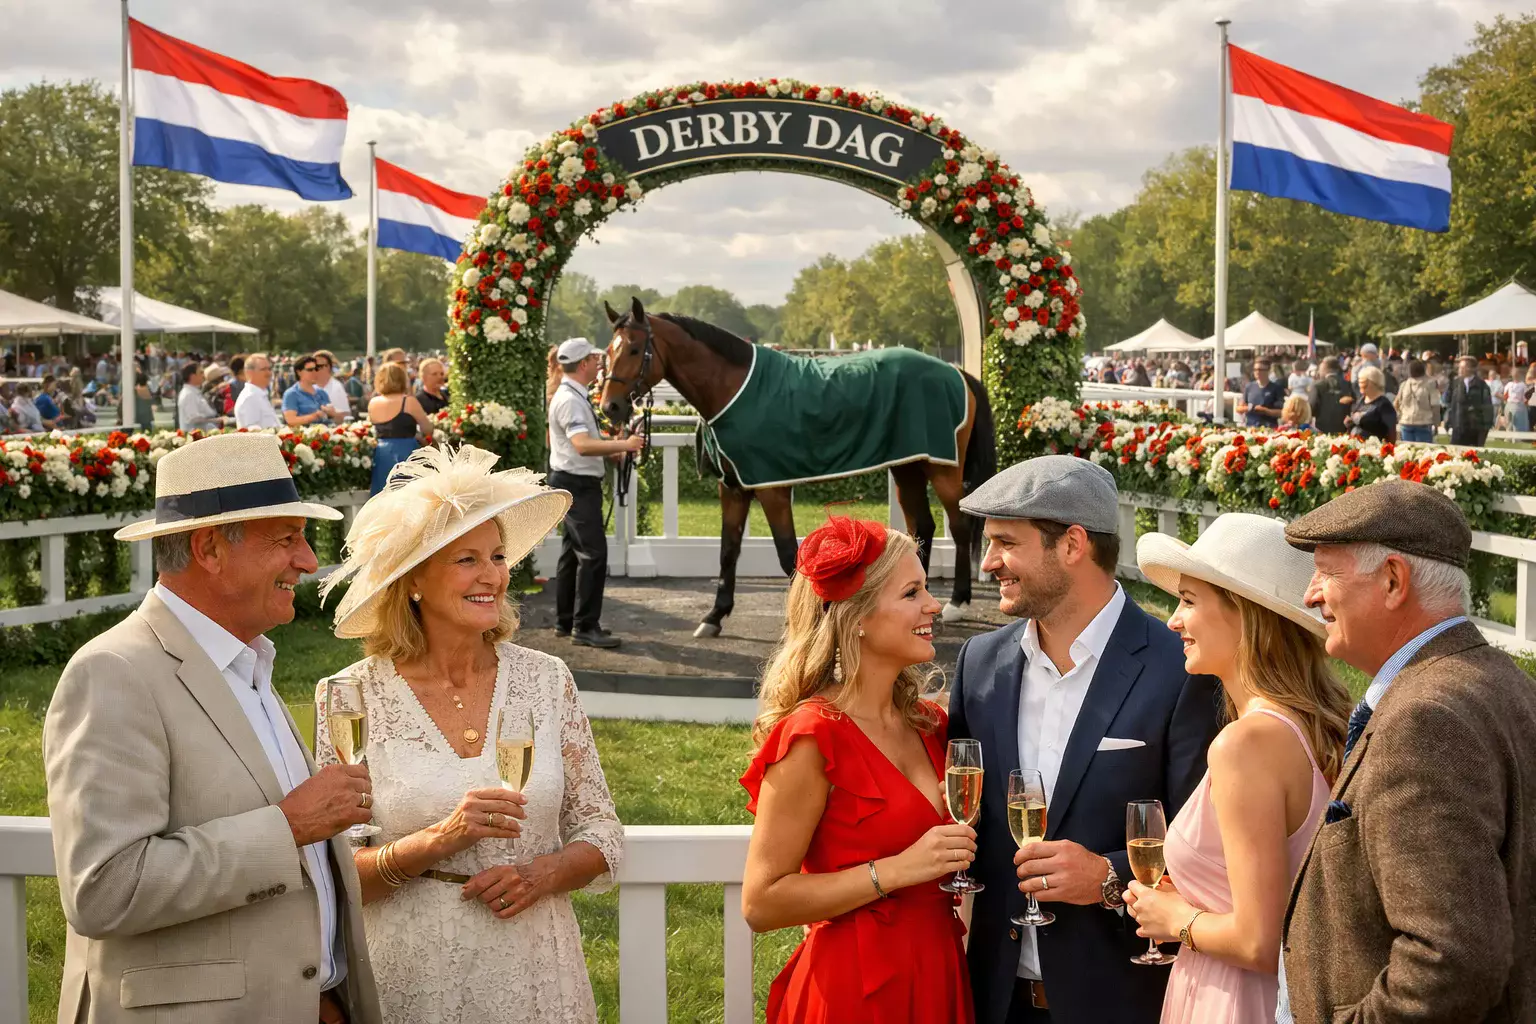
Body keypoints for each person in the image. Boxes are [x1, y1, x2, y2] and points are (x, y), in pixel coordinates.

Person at [42, 432, 382, 1023]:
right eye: (287, 540)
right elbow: (103, 891)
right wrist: (290, 826)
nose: (307, 561)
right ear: (209, 549)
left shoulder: (248, 662)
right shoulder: (113, 672)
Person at [318, 444, 622, 1024]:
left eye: (499, 556)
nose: (493, 575)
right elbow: (333, 873)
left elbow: (601, 827)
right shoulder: (350, 697)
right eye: (466, 560)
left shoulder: (546, 678)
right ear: (412, 582)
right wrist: (438, 840)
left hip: (538, 969)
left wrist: (544, 874)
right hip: (411, 976)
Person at [949, 456, 1222, 1024]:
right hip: (996, 1000)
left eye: (1004, 542)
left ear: (1072, 544)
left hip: (1124, 999)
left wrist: (1107, 878)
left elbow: (1214, 850)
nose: (988, 562)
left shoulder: (1182, 670)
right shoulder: (980, 664)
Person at [1277, 480, 1536, 1022]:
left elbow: (1451, 960)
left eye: (1327, 571)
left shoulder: (1424, 717)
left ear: (1393, 579)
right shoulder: (1500, 681)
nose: (1310, 593)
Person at [741, 517, 976, 1023]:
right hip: (854, 988)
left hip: (939, 972)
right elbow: (761, 903)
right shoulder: (813, 735)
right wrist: (898, 870)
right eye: (913, 592)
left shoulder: (931, 724)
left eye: (928, 589)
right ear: (858, 616)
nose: (933, 605)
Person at [1122, 514, 1347, 1023]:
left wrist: (1175, 917)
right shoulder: (1308, 725)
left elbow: (1259, 940)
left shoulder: (1247, 743)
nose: (1172, 621)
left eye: (1188, 601)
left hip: (1233, 999)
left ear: (1245, 614)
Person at [545, 338, 644, 649]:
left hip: (570, 479)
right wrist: (624, 446)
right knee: (593, 555)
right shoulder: (571, 399)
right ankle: (585, 626)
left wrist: (610, 450)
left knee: (571, 555)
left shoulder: (571, 394)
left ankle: (565, 621)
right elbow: (582, 445)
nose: (599, 363)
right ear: (584, 364)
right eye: (594, 358)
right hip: (576, 484)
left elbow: (583, 442)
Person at [367, 361, 434, 495]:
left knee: (384, 496)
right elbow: (427, 429)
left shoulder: (373, 403)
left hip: (382, 454)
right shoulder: (408, 401)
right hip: (406, 452)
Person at [1444, 354, 1494, 447]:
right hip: (1458, 428)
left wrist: (1485, 429)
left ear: (1471, 369)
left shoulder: (1482, 386)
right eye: (1459, 367)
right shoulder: (1455, 383)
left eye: (1463, 367)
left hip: (1474, 430)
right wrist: (1448, 421)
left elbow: (1488, 409)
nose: (1460, 369)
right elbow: (1448, 402)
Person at [284, 353, 338, 428]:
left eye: (316, 369)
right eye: (310, 370)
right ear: (299, 372)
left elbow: (333, 414)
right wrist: (314, 416)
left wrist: (331, 412)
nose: (315, 372)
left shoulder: (321, 392)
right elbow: (291, 420)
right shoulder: (291, 394)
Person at [1393, 359, 1440, 443]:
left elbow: (1396, 403)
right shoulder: (1430, 384)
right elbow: (1435, 406)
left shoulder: (1404, 385)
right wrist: (1436, 424)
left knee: (1407, 451)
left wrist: (1401, 414)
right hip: (1424, 422)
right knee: (1423, 451)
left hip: (1406, 422)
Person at [234, 352, 282, 429]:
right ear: (249, 372)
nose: (269, 373)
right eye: (264, 369)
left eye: (269, 369)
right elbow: (253, 434)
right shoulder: (250, 398)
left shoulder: (258, 394)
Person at [1347, 365, 1396, 441]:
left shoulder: (1384, 404)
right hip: (1356, 446)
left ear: (1374, 383)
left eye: (1363, 381)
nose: (1360, 384)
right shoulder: (1361, 400)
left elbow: (1391, 433)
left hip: (1374, 448)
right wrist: (1350, 423)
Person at [1312, 357, 1355, 435]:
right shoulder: (1348, 384)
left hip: (1322, 429)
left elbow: (1312, 407)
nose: (1319, 371)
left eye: (1320, 368)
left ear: (1325, 367)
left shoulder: (1317, 385)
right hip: (1344, 429)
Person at [1237, 360, 1284, 429]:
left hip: (1269, 428)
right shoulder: (1249, 387)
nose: (1257, 372)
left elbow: (1282, 413)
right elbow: (1239, 408)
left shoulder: (1276, 388)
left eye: (1261, 369)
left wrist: (1265, 411)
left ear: (1268, 370)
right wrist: (1251, 408)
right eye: (1255, 369)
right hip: (1251, 427)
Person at [176, 363, 224, 431]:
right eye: (200, 372)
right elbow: (194, 419)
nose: (203, 375)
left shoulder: (192, 392)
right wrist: (216, 420)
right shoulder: (189, 394)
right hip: (198, 438)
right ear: (192, 376)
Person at [316, 349, 354, 421]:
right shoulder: (305, 386)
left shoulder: (337, 387)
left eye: (319, 366)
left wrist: (333, 414)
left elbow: (346, 416)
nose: (315, 369)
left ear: (329, 367)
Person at [1503, 367, 1529, 434]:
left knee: (1518, 423)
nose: (1515, 374)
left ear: (1519, 374)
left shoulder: (1522, 385)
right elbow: (1505, 396)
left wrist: (1524, 404)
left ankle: (1517, 438)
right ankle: (1508, 437)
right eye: (1514, 373)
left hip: (1518, 406)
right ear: (1511, 374)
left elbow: (1526, 397)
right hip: (1509, 404)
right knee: (1509, 422)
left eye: (1516, 373)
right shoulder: (1509, 384)